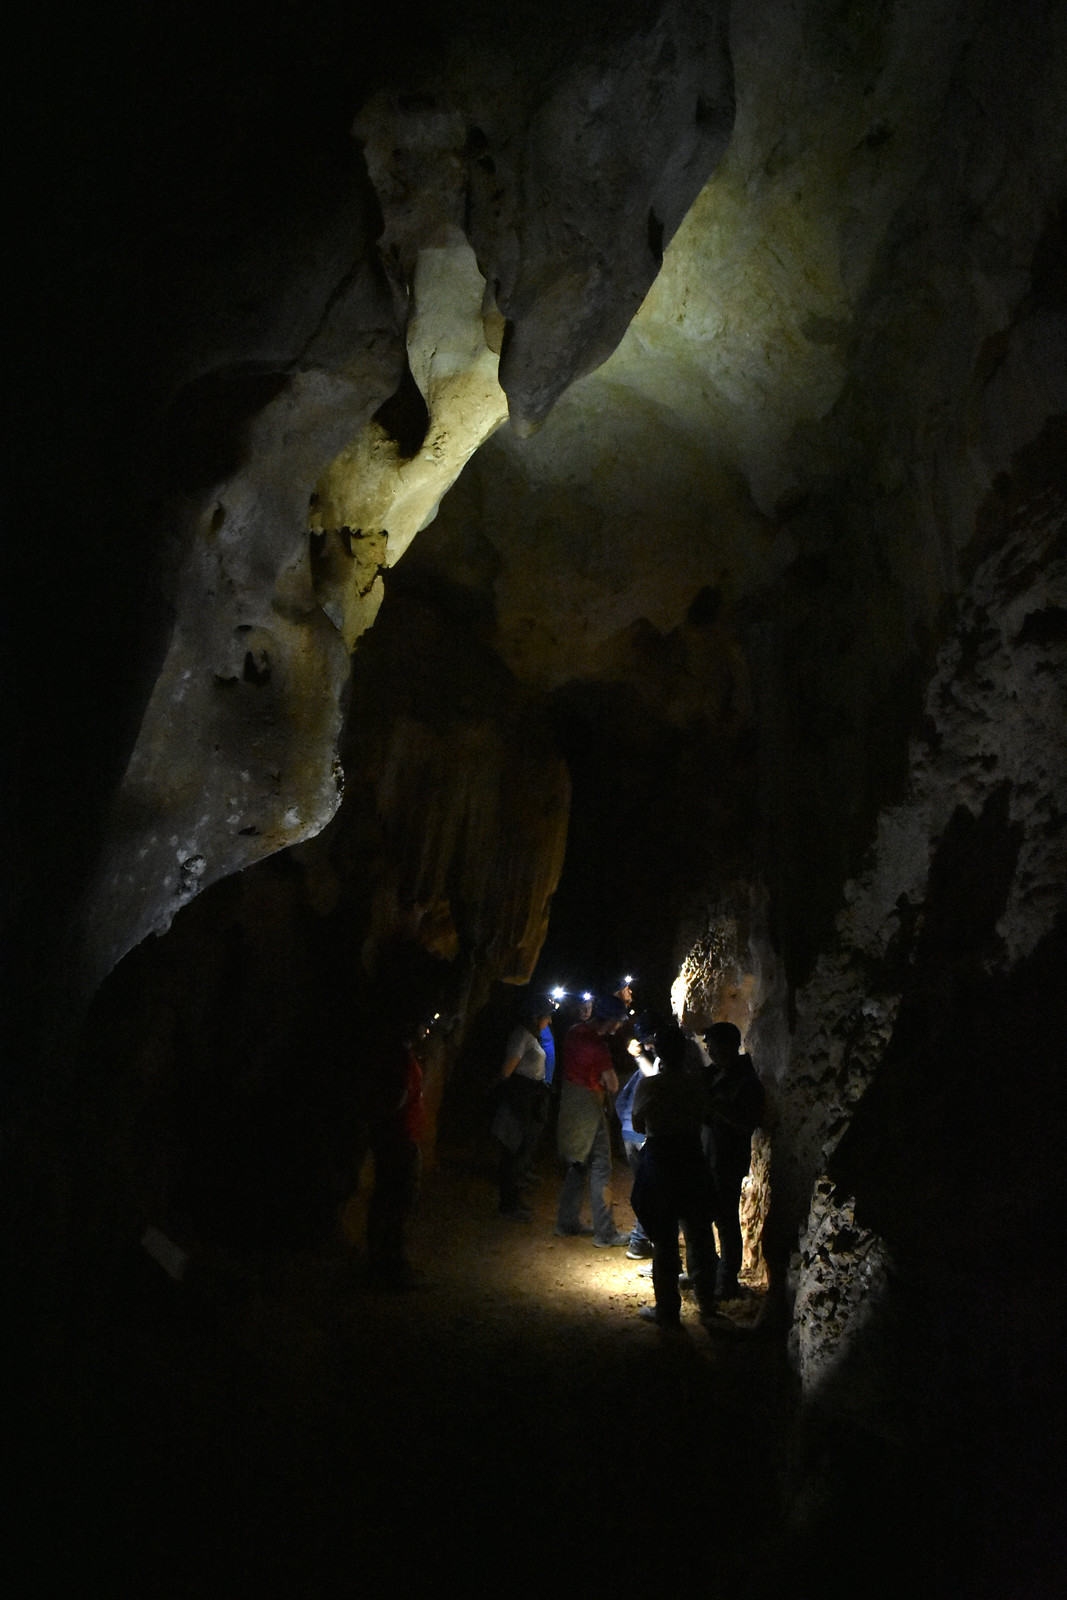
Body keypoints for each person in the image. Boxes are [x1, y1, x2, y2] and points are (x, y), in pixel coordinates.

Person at [630, 1020, 720, 1328]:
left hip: (661, 1160)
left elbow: (638, 1124)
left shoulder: (650, 1085)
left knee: (665, 1240)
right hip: (692, 1157)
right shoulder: (697, 1084)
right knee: (699, 1235)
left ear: (658, 1053)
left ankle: (667, 1310)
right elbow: (706, 1115)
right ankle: (708, 1305)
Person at [555, 994, 630, 1246]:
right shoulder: (598, 1046)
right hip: (590, 1107)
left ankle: (566, 1223)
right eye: (618, 1021)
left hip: (570, 1103)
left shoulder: (573, 1032)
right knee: (601, 1167)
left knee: (577, 1163)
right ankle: (605, 1234)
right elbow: (613, 1084)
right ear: (609, 1021)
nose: (619, 1025)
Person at [703, 1021, 764, 1300]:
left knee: (726, 1221)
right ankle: (711, 1271)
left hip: (728, 1159)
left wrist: (714, 1107)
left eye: (713, 1046)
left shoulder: (746, 1080)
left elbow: (748, 1120)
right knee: (707, 1217)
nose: (709, 1051)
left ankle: (726, 1280)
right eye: (708, 1047)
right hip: (709, 1155)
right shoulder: (714, 1074)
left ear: (729, 1047)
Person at [492, 997, 554, 1220]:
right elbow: (508, 1070)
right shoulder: (522, 1035)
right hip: (520, 1097)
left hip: (529, 1096)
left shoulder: (531, 1035)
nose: (549, 1020)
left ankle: (514, 1200)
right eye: (547, 1016)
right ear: (536, 1017)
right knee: (513, 1149)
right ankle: (508, 1205)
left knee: (520, 1150)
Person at [614, 1014, 660, 1258]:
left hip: (629, 1132)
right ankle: (640, 1242)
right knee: (652, 1190)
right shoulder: (656, 1069)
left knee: (645, 1188)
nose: (648, 1046)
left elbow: (621, 1100)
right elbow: (655, 1083)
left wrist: (626, 1125)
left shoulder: (643, 1071)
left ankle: (641, 1240)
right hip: (642, 1134)